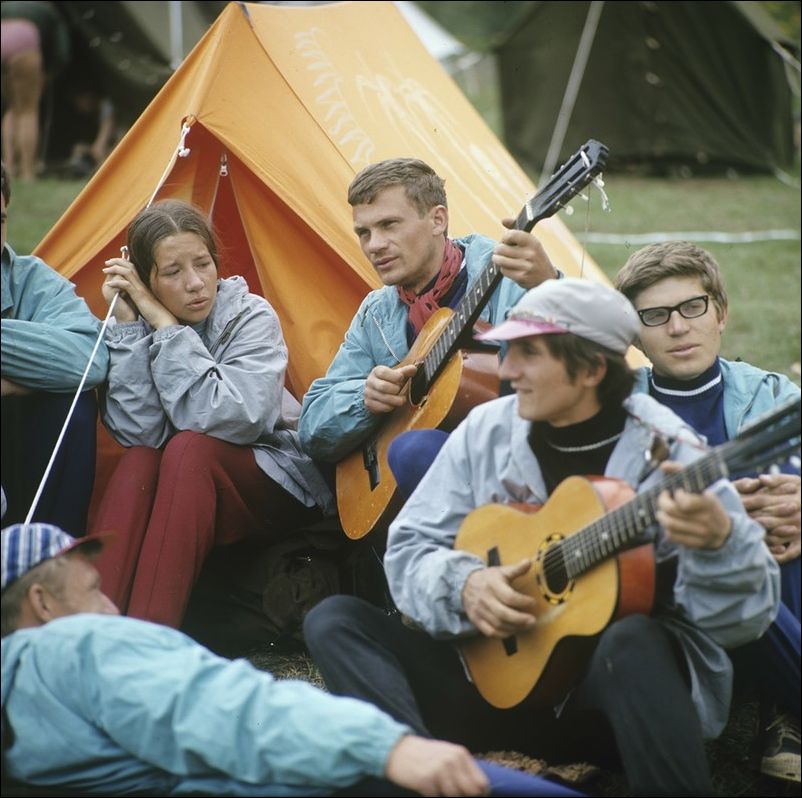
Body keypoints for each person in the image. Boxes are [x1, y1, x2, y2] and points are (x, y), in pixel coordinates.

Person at [304, 278, 781, 796]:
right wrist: (463, 585)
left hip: (603, 710)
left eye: (529, 355)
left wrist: (719, 546)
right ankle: (425, 776)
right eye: (509, 352)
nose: (507, 371)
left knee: (635, 640)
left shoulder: (673, 455)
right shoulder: (488, 430)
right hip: (486, 681)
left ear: (592, 368)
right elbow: (410, 548)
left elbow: (745, 619)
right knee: (335, 619)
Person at [1, 522, 584, 798]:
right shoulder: (75, 645)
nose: (111, 603)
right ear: (43, 603)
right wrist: (388, 746)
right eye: (94, 589)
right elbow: (230, 711)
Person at [89, 199, 334, 629]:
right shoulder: (136, 321)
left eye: (203, 264)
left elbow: (241, 418)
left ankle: (150, 640)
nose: (195, 283)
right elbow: (141, 434)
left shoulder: (249, 315)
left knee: (189, 449)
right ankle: (87, 631)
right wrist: (129, 326)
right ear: (145, 280)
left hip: (276, 482)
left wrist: (167, 328)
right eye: (172, 272)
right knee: (141, 460)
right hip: (186, 493)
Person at [614, 240, 801, 783]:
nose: (677, 327)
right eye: (655, 315)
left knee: (784, 516)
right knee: (747, 539)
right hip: (676, 600)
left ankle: (784, 713)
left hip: (775, 581)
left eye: (692, 307)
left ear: (720, 312)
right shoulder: (617, 408)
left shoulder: (773, 394)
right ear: (635, 332)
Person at [298, 157, 560, 475]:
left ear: (438, 220)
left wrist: (548, 287)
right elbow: (311, 428)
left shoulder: (508, 275)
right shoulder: (376, 313)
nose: (375, 245)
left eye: (389, 225)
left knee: (414, 451)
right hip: (413, 479)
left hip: (516, 460)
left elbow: (571, 369)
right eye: (364, 233)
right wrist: (363, 399)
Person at [1, 161, 107, 536]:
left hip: (16, 460)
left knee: (70, 403)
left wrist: (12, 384)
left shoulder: (29, 278)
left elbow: (88, 360)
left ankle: (49, 558)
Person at [1, 1, 71, 181]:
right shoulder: (48, 10)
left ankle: (8, 167)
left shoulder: (6, 6)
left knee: (11, 108)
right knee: (27, 110)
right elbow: (61, 51)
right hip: (23, 42)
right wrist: (48, 73)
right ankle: (27, 171)